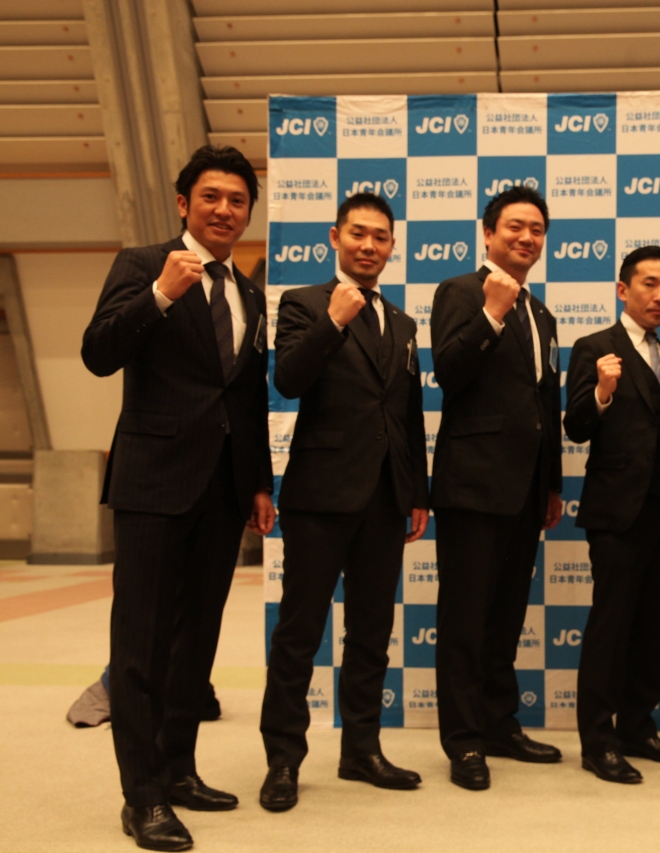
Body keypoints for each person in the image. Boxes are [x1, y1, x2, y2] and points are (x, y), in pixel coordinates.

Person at [82, 144, 275, 852]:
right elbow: (98, 352)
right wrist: (160, 294)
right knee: (141, 644)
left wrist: (259, 481)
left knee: (197, 642)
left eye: (237, 200)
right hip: (154, 482)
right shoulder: (143, 264)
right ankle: (142, 796)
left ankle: (179, 768)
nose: (225, 210)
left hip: (222, 489)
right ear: (183, 203)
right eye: (212, 197)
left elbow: (246, 396)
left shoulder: (249, 292)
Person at [258, 192, 429, 811]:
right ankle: (283, 760)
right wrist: (331, 322)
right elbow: (287, 380)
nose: (369, 246)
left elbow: (407, 414)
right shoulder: (303, 303)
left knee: (371, 633)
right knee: (299, 632)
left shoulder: (403, 323)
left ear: (391, 246)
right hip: (320, 495)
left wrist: (416, 492)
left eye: (380, 237)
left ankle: (361, 749)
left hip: (385, 498)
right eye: (358, 234)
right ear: (335, 237)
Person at [430, 185, 564, 790]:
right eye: (515, 226)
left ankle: (499, 723)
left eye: (536, 229)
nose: (526, 237)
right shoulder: (461, 291)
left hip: (526, 488)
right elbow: (450, 373)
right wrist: (490, 314)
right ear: (488, 233)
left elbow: (545, 402)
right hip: (472, 483)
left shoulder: (542, 314)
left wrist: (552, 483)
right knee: (465, 619)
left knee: (506, 617)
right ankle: (463, 741)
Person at [563, 246, 660, 784]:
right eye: (649, 284)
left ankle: (638, 727)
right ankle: (598, 740)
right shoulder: (595, 347)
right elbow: (575, 427)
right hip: (616, 511)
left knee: (653, 626)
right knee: (611, 626)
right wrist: (601, 391)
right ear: (623, 290)